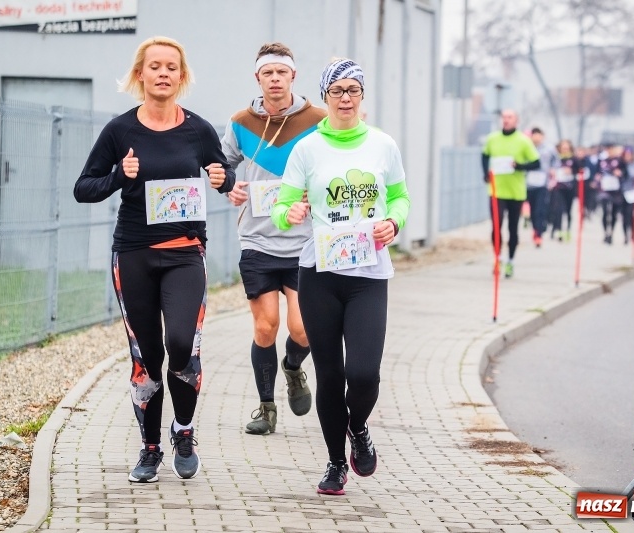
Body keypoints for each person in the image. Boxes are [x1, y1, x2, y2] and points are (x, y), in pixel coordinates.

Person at [73, 36, 235, 483]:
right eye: (155, 66)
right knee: (146, 355)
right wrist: (116, 176)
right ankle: (150, 447)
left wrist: (222, 177)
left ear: (181, 76)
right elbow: (83, 188)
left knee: (182, 344)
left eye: (171, 67)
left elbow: (223, 175)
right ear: (140, 74)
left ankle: (183, 430)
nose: (163, 73)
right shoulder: (120, 131)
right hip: (134, 254)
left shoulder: (198, 130)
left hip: (184, 254)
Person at [270, 58, 410, 495]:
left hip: (368, 275)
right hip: (320, 275)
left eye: (353, 90)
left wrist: (394, 223)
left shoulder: (383, 145)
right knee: (330, 375)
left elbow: (400, 197)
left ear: (362, 96)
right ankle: (335, 462)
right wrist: (291, 212)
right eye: (337, 90)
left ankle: (359, 426)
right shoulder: (307, 149)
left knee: (364, 373)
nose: (345, 98)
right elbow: (281, 208)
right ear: (326, 96)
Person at [210, 42, 325, 436]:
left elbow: (333, 165)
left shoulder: (318, 119)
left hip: (304, 241)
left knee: (302, 329)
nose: (275, 79)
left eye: (281, 72)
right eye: (267, 73)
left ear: (293, 76)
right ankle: (266, 407)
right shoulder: (241, 122)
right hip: (257, 239)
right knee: (265, 327)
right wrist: (229, 187)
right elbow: (221, 165)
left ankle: (292, 367)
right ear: (257, 78)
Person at [481, 110, 540, 278]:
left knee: (512, 229)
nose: (506, 120)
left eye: (510, 117)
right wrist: (485, 173)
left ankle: (511, 261)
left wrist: (519, 166)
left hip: (516, 192)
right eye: (504, 117)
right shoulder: (493, 138)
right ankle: (497, 258)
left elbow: (536, 163)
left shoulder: (523, 141)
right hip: (496, 190)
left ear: (516, 121)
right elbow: (484, 156)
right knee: (496, 226)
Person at [526, 127, 557, 247]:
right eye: (534, 135)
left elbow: (556, 161)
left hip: (543, 182)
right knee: (532, 209)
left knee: (541, 209)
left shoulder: (549, 148)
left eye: (539, 135)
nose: (536, 137)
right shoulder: (527, 147)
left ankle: (539, 233)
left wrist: (553, 170)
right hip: (529, 182)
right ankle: (535, 228)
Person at [595, 143, 627, 245]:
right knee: (605, 212)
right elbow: (597, 173)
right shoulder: (602, 161)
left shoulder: (620, 161)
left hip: (616, 190)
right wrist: (597, 178)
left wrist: (620, 173)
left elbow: (625, 174)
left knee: (614, 213)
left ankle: (611, 233)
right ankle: (605, 232)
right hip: (604, 189)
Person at [549, 139, 579, 242]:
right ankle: (558, 229)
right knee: (558, 209)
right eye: (563, 147)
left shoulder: (574, 159)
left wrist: (572, 171)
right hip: (558, 187)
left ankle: (568, 230)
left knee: (568, 210)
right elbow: (549, 167)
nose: (565, 149)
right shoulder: (556, 158)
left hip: (570, 187)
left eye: (567, 147)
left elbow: (580, 170)